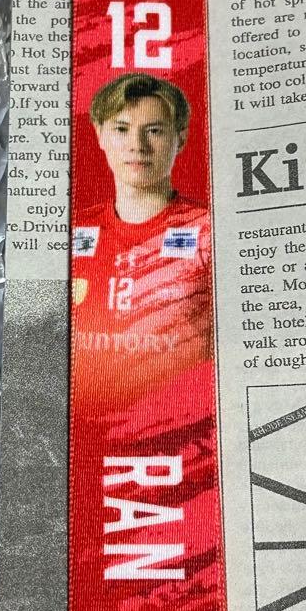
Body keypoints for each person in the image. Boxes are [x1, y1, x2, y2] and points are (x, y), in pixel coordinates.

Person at [70, 72, 213, 415]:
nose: (137, 145)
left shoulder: (208, 231)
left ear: (181, 137)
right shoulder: (73, 230)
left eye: (155, 130)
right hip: (83, 422)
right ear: (99, 135)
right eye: (121, 129)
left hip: (170, 422)